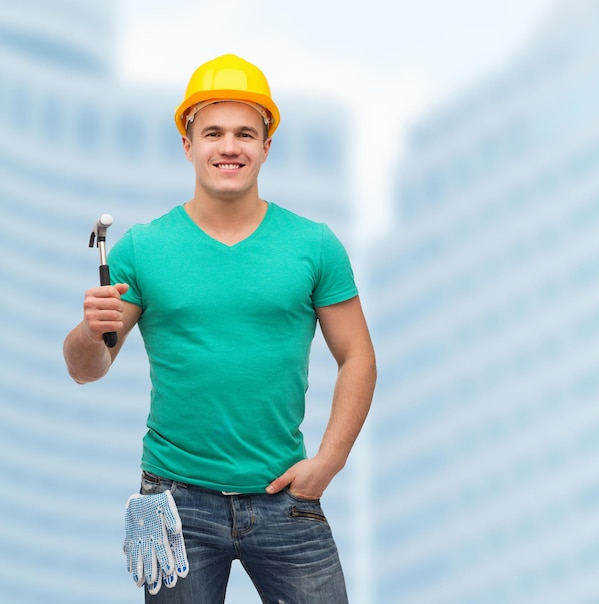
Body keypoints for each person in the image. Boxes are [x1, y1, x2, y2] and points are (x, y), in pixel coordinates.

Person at [63, 53, 376, 604]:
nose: (229, 147)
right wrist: (91, 331)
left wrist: (329, 461)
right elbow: (87, 370)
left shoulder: (314, 244)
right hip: (177, 502)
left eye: (244, 134)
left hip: (287, 498)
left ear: (266, 145)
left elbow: (357, 357)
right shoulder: (143, 247)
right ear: (188, 144)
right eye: (213, 133)